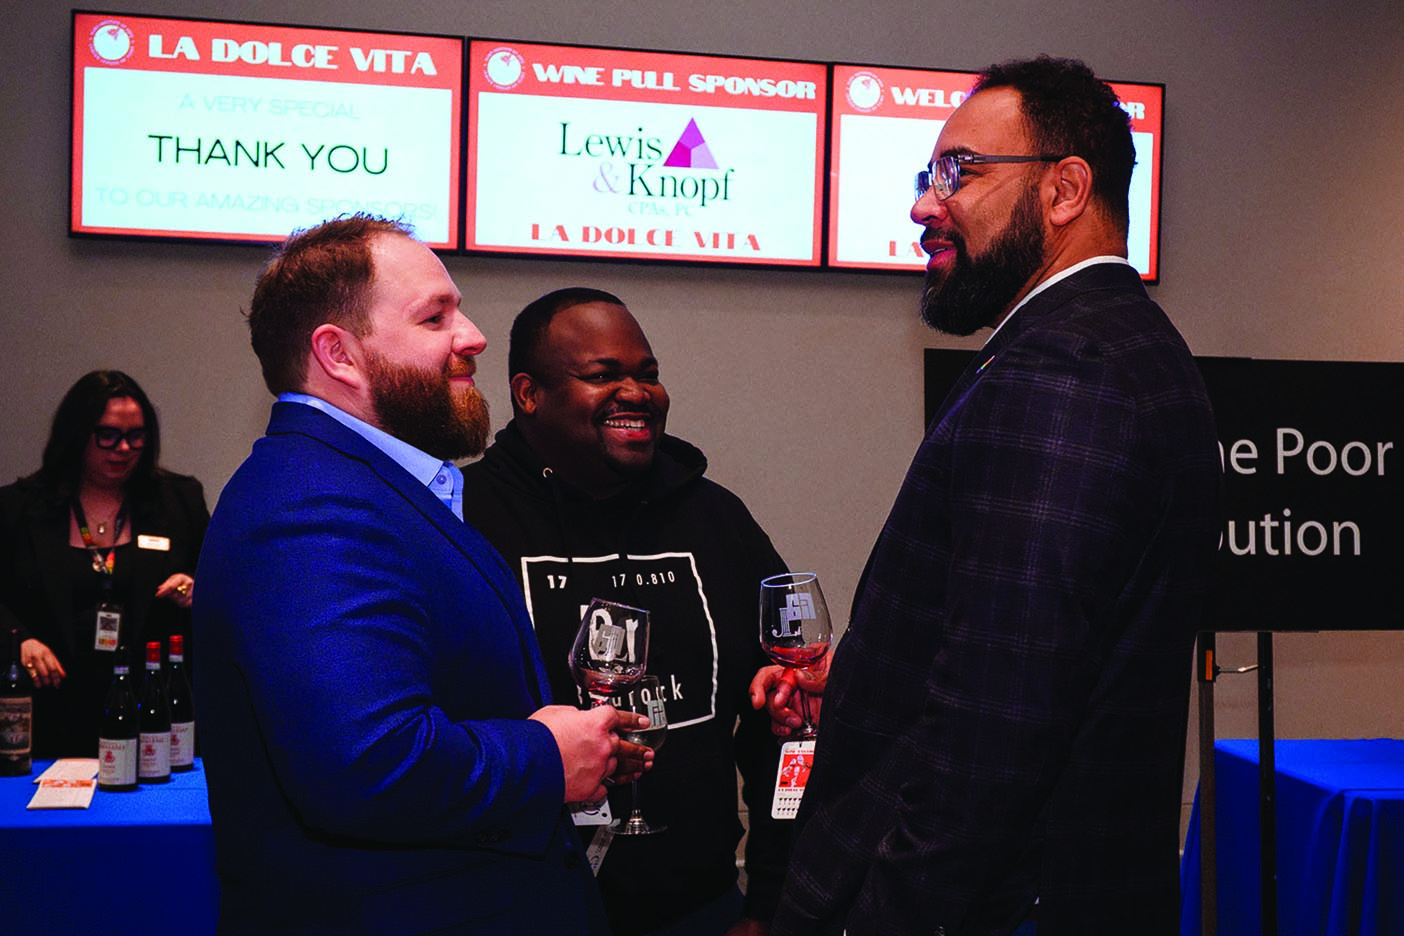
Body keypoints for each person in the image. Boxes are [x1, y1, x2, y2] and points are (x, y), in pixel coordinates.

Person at [761, 57, 1223, 936]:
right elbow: (1031, 652)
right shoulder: (1114, 345)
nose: (924, 206)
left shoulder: (1065, 371)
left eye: (959, 173)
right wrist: (864, 685)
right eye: (927, 176)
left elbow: (996, 734)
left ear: (1064, 190)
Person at [193, 216, 649, 935]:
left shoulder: (363, 486)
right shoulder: (311, 505)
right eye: (435, 317)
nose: (473, 336)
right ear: (339, 354)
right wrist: (546, 757)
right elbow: (368, 765)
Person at [461, 287, 790, 936]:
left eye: (648, 373)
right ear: (529, 394)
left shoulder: (716, 518)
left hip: (701, 910)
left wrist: (770, 898)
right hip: (514, 910)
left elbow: (779, 716)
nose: (636, 392)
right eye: (602, 375)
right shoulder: (462, 519)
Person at [0, 370, 206, 758]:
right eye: (108, 435)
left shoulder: (179, 502)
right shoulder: (18, 508)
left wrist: (197, 587)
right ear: (77, 435)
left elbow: (223, 585)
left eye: (136, 436)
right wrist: (19, 641)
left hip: (148, 712)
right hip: (49, 711)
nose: (123, 448)